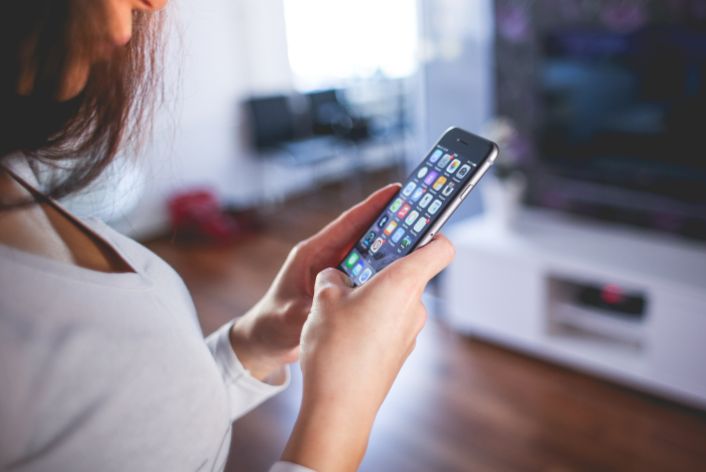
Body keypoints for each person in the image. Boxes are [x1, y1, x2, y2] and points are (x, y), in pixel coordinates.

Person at [0, 1, 454, 471]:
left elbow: (137, 420)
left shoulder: (16, 181)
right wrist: (344, 406)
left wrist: (256, 341)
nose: (155, 4)